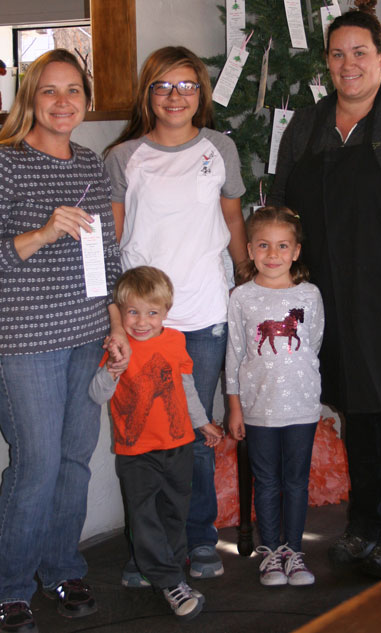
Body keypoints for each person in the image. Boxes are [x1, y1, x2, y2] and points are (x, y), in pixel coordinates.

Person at [104, 45, 248, 580]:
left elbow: (233, 222)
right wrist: (116, 317)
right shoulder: (124, 157)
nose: (175, 96)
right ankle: (150, 551)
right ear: (148, 94)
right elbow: (112, 242)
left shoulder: (220, 148)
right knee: (145, 439)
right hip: (144, 322)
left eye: (186, 85)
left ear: (201, 94)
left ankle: (199, 539)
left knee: (196, 435)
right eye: (163, 86)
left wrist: (248, 283)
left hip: (205, 315)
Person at [0, 49, 130, 633]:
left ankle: (62, 568)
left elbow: (105, 255)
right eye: (49, 91)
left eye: (73, 90)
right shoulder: (6, 163)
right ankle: (10, 586)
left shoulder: (88, 164)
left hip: (85, 334)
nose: (62, 102)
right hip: (24, 339)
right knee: (37, 463)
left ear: (85, 97)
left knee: (75, 460)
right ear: (30, 97)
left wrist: (117, 323)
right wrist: (45, 229)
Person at [270, 10, 381, 579]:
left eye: (360, 52)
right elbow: (281, 204)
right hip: (330, 299)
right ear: (327, 61)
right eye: (338, 54)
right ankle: (364, 523)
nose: (349, 64)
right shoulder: (308, 124)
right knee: (358, 411)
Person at [89, 266, 223, 620]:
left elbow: (186, 386)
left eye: (152, 312)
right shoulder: (119, 347)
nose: (142, 321)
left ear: (166, 311)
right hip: (137, 453)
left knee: (174, 514)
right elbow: (97, 393)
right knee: (144, 516)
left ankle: (170, 571)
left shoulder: (175, 341)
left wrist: (202, 423)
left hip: (177, 446)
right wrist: (113, 370)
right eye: (132, 312)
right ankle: (171, 584)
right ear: (121, 312)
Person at [226, 206, 324, 586]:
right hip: (257, 407)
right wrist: (234, 405)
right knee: (266, 481)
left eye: (282, 246)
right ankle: (270, 552)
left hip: (301, 406)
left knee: (297, 481)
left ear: (296, 251)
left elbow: (312, 344)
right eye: (264, 245)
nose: (272, 254)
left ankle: (294, 552)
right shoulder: (242, 298)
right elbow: (234, 353)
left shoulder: (310, 295)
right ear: (249, 249)